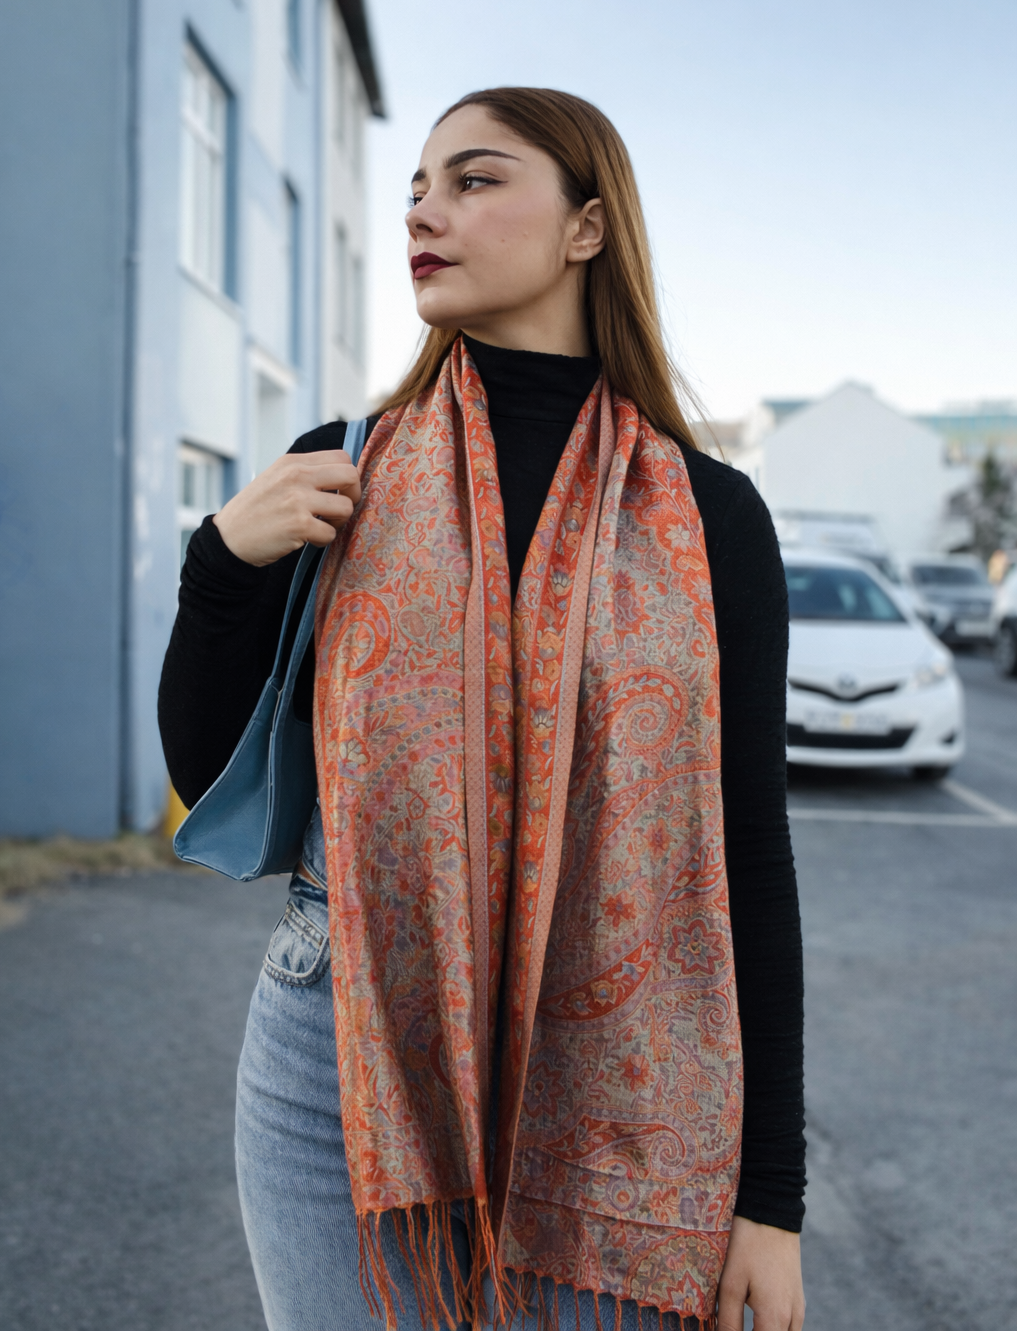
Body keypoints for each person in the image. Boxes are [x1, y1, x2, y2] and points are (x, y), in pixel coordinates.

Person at [159, 88, 805, 1331]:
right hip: (338, 1048)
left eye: (473, 179)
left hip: (624, 1086)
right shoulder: (343, 469)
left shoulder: (710, 516)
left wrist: (770, 1200)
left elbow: (750, 855)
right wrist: (221, 561)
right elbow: (202, 771)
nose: (422, 212)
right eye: (414, 187)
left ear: (585, 228)